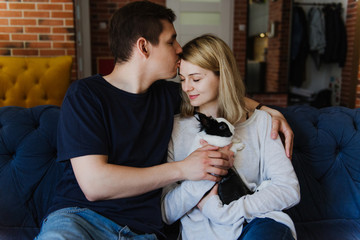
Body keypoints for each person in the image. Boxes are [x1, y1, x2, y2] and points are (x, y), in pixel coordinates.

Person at [36, 1, 294, 239]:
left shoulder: (168, 96)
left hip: (142, 231)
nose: (180, 49)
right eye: (171, 41)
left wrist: (267, 110)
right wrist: (184, 169)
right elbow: (94, 184)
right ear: (143, 47)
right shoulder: (86, 95)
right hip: (81, 221)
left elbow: (217, 91)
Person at [162, 34, 300, 240]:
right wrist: (205, 173)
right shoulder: (176, 128)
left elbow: (289, 189)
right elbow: (167, 211)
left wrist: (225, 212)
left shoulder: (261, 122)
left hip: (257, 224)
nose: (186, 87)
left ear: (222, 76)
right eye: (182, 79)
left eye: (196, 79)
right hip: (202, 233)